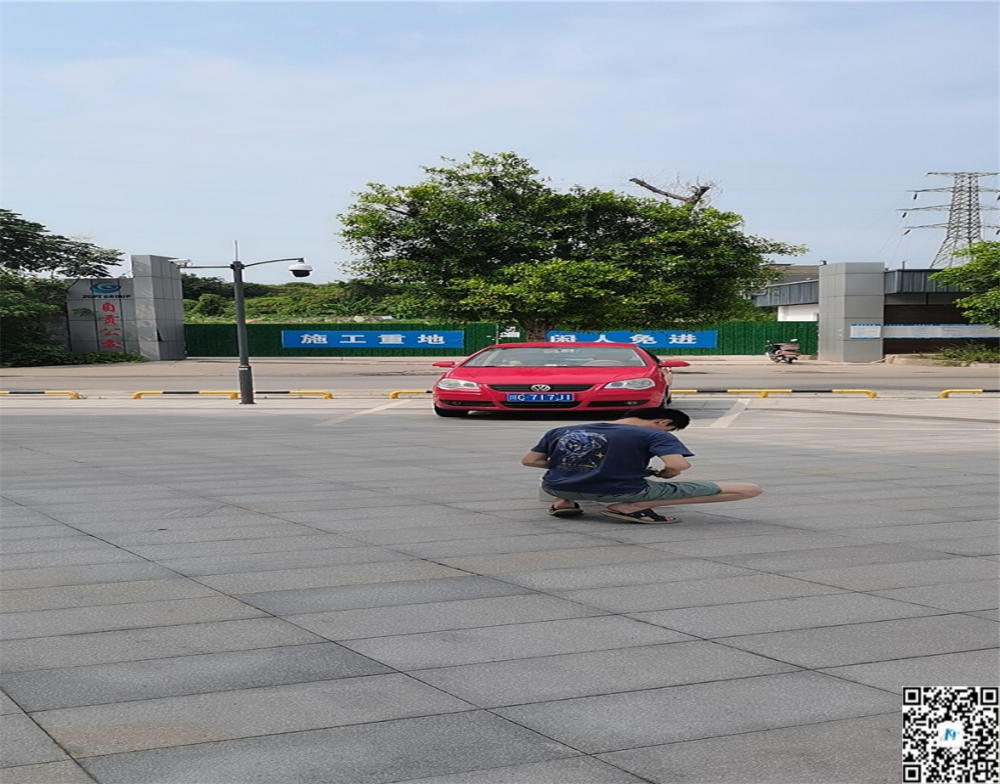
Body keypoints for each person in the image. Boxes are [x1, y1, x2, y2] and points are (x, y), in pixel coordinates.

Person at [521, 407, 761, 523]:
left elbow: (530, 461)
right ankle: (633, 506)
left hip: (556, 486)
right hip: (619, 491)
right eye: (670, 429)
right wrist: (666, 473)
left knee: (572, 470)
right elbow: (678, 464)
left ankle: (563, 502)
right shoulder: (654, 435)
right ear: (663, 422)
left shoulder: (561, 430)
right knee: (749, 489)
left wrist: (572, 464)